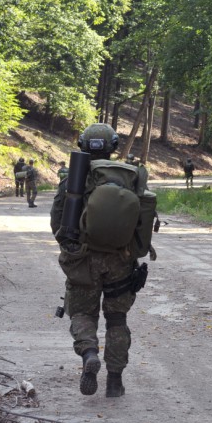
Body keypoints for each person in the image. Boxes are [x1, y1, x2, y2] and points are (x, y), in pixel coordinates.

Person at [50, 123, 142, 397]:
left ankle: (89, 353)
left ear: (82, 145)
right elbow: (141, 220)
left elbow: (57, 220)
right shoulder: (130, 175)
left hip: (83, 259)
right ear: (113, 146)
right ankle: (114, 382)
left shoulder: (74, 178)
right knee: (117, 318)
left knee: (82, 314)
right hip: (120, 259)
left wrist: (70, 248)